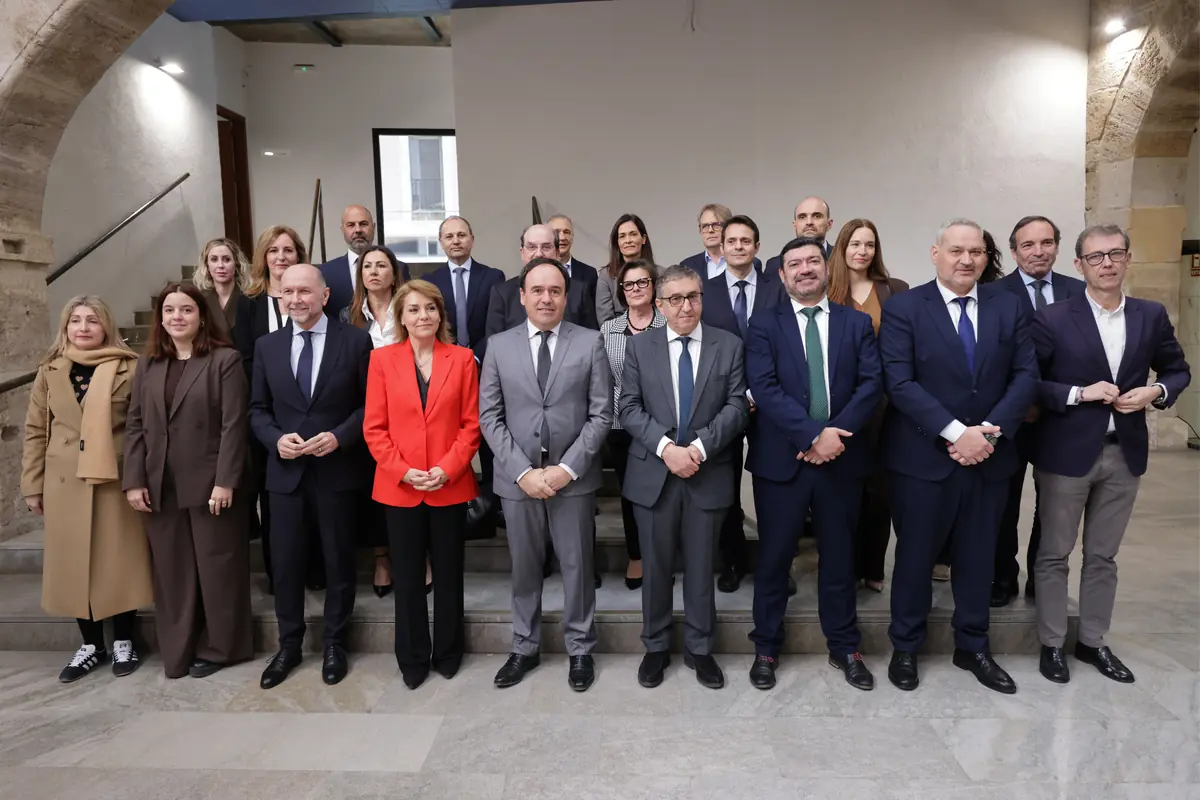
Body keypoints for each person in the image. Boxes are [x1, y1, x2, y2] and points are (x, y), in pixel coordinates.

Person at [879, 219, 1037, 695]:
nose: (966, 260)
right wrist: (954, 432)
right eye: (956, 251)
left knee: (978, 557)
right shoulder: (906, 307)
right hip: (923, 460)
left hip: (989, 457)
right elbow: (899, 381)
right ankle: (906, 646)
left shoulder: (1008, 306)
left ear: (987, 258)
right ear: (935, 253)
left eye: (976, 252)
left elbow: (1025, 375)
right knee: (914, 558)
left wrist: (985, 436)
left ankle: (973, 645)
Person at [1030, 224, 1190, 685]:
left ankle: (1093, 641)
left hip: (1125, 453)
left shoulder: (1150, 315)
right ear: (1078, 265)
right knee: (1054, 553)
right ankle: (1052, 644)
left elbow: (1178, 370)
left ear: (1127, 259)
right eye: (1095, 256)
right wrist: (1079, 393)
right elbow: (1030, 383)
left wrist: (1155, 392)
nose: (1106, 263)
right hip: (1065, 452)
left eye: (1115, 254)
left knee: (1103, 556)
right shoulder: (1054, 318)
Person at [744, 237, 882, 691]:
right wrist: (810, 436)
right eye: (793, 264)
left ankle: (845, 646)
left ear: (827, 268)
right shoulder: (763, 325)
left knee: (840, 559)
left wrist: (833, 436)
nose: (804, 269)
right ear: (781, 275)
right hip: (782, 463)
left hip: (841, 460)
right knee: (774, 559)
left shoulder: (856, 323)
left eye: (812, 261)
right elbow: (764, 388)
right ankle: (766, 646)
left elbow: (871, 384)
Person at [479, 257, 613, 692]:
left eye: (554, 290)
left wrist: (566, 469)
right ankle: (524, 645)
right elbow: (489, 416)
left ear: (567, 295)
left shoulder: (590, 342)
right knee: (524, 568)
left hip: (572, 479)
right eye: (536, 290)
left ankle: (580, 649)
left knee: (577, 566)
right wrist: (521, 473)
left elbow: (600, 414)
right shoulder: (499, 345)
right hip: (518, 482)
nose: (546, 298)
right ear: (522, 296)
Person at [618, 265, 748, 690]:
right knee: (654, 568)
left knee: (700, 568)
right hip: (653, 474)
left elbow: (735, 407)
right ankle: (655, 647)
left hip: (706, 471)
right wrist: (667, 449)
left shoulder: (727, 345)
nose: (686, 305)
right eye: (674, 299)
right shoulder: (640, 348)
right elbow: (629, 408)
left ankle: (700, 648)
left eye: (692, 296)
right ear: (659, 305)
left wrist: (698, 449)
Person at [249, 264, 373, 689]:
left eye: (305, 291)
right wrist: (274, 440)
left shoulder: (356, 342)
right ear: (279, 297)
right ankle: (289, 644)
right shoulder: (267, 346)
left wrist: (340, 438)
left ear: (324, 296)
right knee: (286, 566)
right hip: (285, 475)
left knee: (339, 561)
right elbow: (257, 411)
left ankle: (336, 643)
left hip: (336, 471)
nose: (296, 299)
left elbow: (369, 407)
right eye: (288, 292)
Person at [123, 282, 253, 679]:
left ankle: (222, 648)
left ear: (201, 317)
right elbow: (134, 426)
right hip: (160, 482)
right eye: (169, 311)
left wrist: (226, 481)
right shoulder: (147, 365)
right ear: (160, 318)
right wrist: (133, 479)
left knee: (218, 569)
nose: (177, 317)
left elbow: (234, 426)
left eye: (186, 310)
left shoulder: (224, 360)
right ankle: (177, 651)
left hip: (212, 483)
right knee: (172, 571)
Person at [20, 297, 153, 683]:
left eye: (91, 320)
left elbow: (143, 427)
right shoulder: (50, 370)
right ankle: (91, 644)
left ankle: (124, 640)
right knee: (74, 563)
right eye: (75, 320)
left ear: (106, 326)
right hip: (64, 481)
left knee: (118, 560)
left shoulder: (131, 367)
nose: (82, 327)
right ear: (65, 328)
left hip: (115, 476)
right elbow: (35, 431)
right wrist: (32, 485)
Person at [364, 279, 481, 690]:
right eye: (413, 310)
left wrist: (448, 468)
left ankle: (448, 652)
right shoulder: (381, 361)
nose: (423, 316)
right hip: (401, 486)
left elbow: (471, 426)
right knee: (409, 577)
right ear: (401, 317)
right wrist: (402, 470)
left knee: (449, 574)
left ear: (441, 315)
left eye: (430, 308)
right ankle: (412, 656)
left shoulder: (463, 359)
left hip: (449, 483)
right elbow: (374, 428)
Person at [989, 215, 1086, 607]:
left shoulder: (1079, 291)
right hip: (1011, 418)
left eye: (1046, 243)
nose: (1038, 251)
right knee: (1003, 503)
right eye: (1028, 245)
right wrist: (1017, 404)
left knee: (1052, 507)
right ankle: (1002, 577)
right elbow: (990, 360)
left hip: (1061, 418)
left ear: (1057, 247)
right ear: (1013, 252)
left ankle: (1040, 580)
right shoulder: (993, 293)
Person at [700, 215, 785, 593]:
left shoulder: (776, 286)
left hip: (772, 403)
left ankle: (777, 566)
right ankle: (732, 561)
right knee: (725, 487)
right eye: (731, 240)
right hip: (723, 404)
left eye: (745, 240)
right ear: (722, 245)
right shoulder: (706, 289)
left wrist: (760, 393)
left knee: (776, 491)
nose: (737, 246)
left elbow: (788, 343)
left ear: (757, 247)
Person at [826, 219, 909, 593]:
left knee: (881, 490)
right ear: (841, 248)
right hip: (839, 404)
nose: (862, 251)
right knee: (844, 490)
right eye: (855, 244)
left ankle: (873, 567)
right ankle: (843, 566)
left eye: (870, 245)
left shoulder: (895, 290)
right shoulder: (825, 291)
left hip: (886, 405)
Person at [245, 225, 324, 594]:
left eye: (288, 250)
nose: (281, 256)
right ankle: (280, 576)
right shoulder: (250, 304)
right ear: (264, 257)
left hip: (312, 418)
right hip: (266, 419)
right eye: (273, 250)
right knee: (274, 502)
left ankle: (315, 570)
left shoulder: (313, 299)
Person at [600, 260, 666, 591]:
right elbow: (604, 381)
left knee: (662, 494)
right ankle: (636, 555)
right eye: (629, 284)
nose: (636, 289)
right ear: (621, 291)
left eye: (642, 282)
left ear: (654, 286)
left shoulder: (669, 324)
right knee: (630, 494)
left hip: (663, 426)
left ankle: (663, 554)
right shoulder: (608, 330)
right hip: (621, 425)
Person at [348, 245, 408, 597]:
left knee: (410, 486)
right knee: (375, 490)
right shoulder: (349, 316)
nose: (373, 271)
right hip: (367, 411)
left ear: (393, 272)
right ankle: (383, 559)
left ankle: (420, 556)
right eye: (367, 266)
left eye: (381, 265)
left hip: (408, 409)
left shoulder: (409, 309)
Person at [486, 224, 600, 336]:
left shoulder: (578, 291)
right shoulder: (502, 293)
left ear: (556, 252)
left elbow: (589, 338)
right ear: (522, 252)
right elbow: (495, 344)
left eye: (546, 247)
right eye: (532, 247)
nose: (539, 253)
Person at [426, 215, 504, 362]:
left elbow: (496, 326)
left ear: (472, 239)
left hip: (484, 361)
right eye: (449, 236)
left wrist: (475, 357)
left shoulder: (493, 277)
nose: (456, 241)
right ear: (441, 243)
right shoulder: (430, 281)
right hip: (442, 361)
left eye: (461, 235)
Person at [318, 205, 410, 322]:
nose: (358, 230)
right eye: (351, 225)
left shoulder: (400, 268)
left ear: (374, 227)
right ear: (343, 230)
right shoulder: (326, 272)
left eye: (363, 224)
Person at [192, 238, 255, 369]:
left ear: (236, 264)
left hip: (244, 369)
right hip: (210, 369)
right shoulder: (199, 302)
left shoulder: (251, 300)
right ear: (207, 265)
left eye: (226, 259)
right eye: (214, 259)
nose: (220, 265)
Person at [595, 214, 655, 324]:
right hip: (617, 337)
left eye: (633, 234)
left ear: (643, 239)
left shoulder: (660, 274)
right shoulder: (606, 276)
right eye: (622, 236)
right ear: (617, 242)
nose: (628, 240)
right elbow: (605, 321)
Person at [679, 203, 759, 279]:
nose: (710, 230)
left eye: (716, 225)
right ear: (700, 231)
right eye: (705, 226)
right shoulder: (687, 266)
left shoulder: (751, 262)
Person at [763, 197, 834, 273]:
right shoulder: (774, 265)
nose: (809, 222)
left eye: (817, 216)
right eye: (802, 217)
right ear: (795, 225)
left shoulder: (842, 258)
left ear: (829, 224)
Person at [549, 213, 600, 317]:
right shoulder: (537, 272)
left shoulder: (589, 274)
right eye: (557, 232)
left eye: (567, 232)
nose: (562, 237)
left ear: (573, 236)